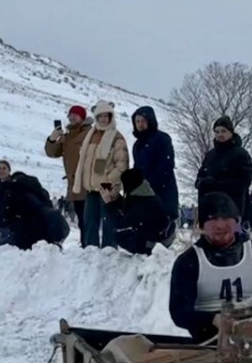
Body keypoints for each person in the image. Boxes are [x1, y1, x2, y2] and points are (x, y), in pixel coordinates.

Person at [168, 192, 252, 342]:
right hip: (208, 342)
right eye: (212, 219)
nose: (220, 225)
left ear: (236, 221)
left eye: (226, 218)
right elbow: (179, 312)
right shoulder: (188, 262)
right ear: (202, 225)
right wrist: (214, 319)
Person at [73, 100, 129, 249]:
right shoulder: (90, 136)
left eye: (107, 116)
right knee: (90, 221)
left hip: (107, 187)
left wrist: (108, 181)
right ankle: (90, 251)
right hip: (91, 187)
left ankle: (109, 251)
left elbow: (122, 164)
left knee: (109, 222)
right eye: (100, 116)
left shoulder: (117, 137)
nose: (104, 119)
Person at [0, 160, 68, 249]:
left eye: (4, 168)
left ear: (9, 170)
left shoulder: (16, 185)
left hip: (17, 227)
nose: (1, 171)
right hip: (2, 226)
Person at [46, 105, 92, 241]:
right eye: (70, 115)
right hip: (74, 184)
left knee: (88, 216)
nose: (72, 117)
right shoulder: (66, 137)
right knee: (80, 215)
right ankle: (85, 243)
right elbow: (52, 152)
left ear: (82, 117)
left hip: (87, 182)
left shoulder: (89, 133)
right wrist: (52, 139)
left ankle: (89, 244)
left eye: (75, 115)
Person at [101, 168, 174, 254]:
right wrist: (116, 199)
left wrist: (109, 204)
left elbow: (121, 222)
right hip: (161, 236)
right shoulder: (144, 194)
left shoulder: (141, 203)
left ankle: (146, 250)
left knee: (120, 235)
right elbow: (130, 209)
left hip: (156, 242)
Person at [194, 115, 252, 215]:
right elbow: (200, 177)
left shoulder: (241, 154)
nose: (220, 134)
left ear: (230, 132)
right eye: (217, 132)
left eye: (223, 131)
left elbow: (244, 181)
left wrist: (217, 184)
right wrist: (202, 183)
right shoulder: (210, 155)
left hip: (232, 208)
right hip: (209, 208)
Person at [130, 105, 178, 224]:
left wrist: (149, 184)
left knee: (161, 231)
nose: (140, 124)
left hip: (162, 191)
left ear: (150, 121)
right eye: (137, 121)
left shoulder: (162, 138)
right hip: (143, 194)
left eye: (143, 121)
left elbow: (166, 165)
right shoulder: (137, 145)